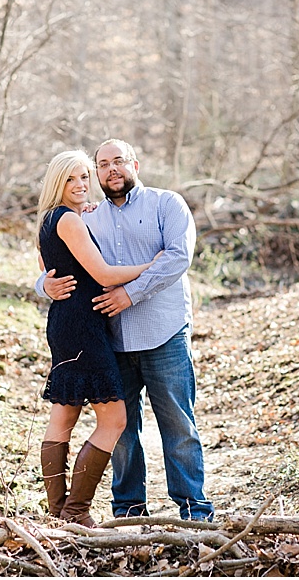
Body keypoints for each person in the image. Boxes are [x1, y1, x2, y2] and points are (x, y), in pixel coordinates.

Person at [37, 139, 214, 521]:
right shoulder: (85, 215)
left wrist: (129, 295)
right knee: (121, 430)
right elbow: (52, 261)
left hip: (162, 332)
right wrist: (43, 286)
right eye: (102, 165)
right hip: (111, 336)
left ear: (135, 163)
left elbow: (178, 258)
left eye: (118, 161)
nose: (110, 170)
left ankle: (193, 510)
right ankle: (128, 509)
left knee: (177, 425)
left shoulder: (167, 204)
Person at [35, 150, 159, 527]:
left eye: (85, 177)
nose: (81, 185)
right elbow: (104, 275)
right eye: (72, 179)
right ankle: (76, 510)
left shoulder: (49, 219)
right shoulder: (69, 221)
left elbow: (46, 268)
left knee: (64, 413)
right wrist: (153, 265)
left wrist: (48, 284)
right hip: (83, 328)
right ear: (58, 182)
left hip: (65, 323)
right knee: (115, 419)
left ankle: (58, 512)